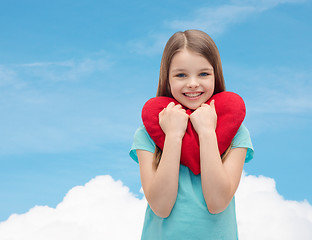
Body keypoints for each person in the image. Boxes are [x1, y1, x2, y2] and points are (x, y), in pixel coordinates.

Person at [129, 29, 254, 240]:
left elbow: (217, 202)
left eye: (204, 74)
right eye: (181, 75)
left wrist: (206, 132)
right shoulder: (147, 133)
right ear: (167, 79)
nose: (193, 83)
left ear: (216, 75)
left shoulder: (236, 132)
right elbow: (160, 207)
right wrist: (173, 136)